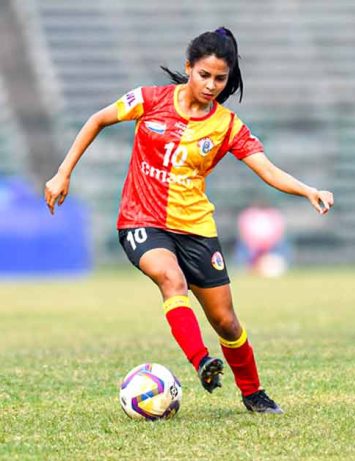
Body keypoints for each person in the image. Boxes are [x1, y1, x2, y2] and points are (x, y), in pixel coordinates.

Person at [43, 27, 334, 414]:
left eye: (220, 78)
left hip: (195, 227)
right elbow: (97, 119)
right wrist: (63, 173)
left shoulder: (227, 125)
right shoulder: (149, 100)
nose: (211, 85)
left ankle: (253, 394)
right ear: (188, 68)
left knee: (226, 322)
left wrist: (307, 190)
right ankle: (201, 361)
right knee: (171, 279)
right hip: (140, 218)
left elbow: (265, 168)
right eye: (204, 75)